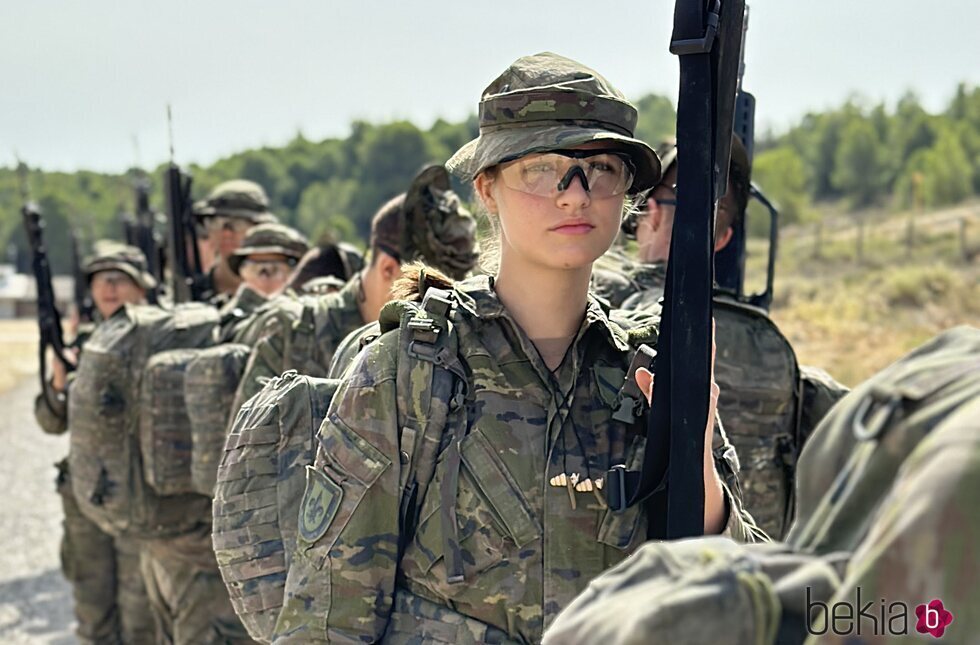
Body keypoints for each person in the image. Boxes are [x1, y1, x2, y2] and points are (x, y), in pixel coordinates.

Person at [272, 52, 762, 644]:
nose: (575, 196)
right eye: (541, 168)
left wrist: (695, 461)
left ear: (627, 195)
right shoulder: (409, 372)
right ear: (487, 188)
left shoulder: (650, 375)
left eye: (600, 168)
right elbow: (326, 620)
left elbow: (746, 594)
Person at [229, 163, 478, 412]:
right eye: (429, 292)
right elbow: (246, 444)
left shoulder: (452, 343)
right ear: (388, 269)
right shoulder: (293, 335)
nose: (441, 309)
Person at [33, 242, 157, 645]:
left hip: (138, 493)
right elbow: (51, 422)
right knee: (93, 607)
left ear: (142, 286)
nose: (109, 286)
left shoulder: (159, 335)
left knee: (142, 611)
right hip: (86, 495)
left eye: (120, 277)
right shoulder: (80, 343)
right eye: (100, 278)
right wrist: (58, 378)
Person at [192, 179, 279, 302]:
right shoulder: (191, 294)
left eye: (238, 223)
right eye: (216, 223)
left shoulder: (277, 291)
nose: (226, 233)